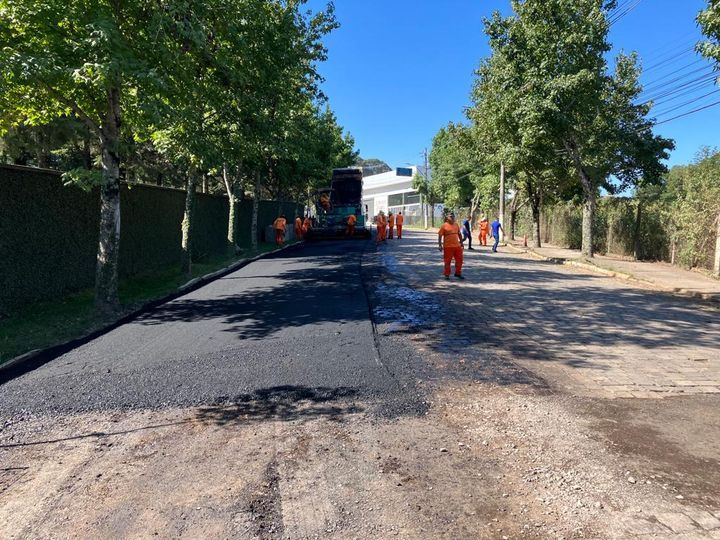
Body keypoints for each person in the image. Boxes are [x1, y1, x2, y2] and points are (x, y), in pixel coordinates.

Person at [438, 212, 464, 279]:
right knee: (447, 261)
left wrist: (461, 243)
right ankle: (447, 274)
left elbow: (459, 234)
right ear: (447, 218)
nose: (452, 217)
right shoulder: (444, 226)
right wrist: (440, 245)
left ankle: (458, 273)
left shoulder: (456, 225)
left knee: (460, 260)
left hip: (457, 246)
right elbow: (440, 236)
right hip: (448, 247)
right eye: (450, 216)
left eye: (453, 216)